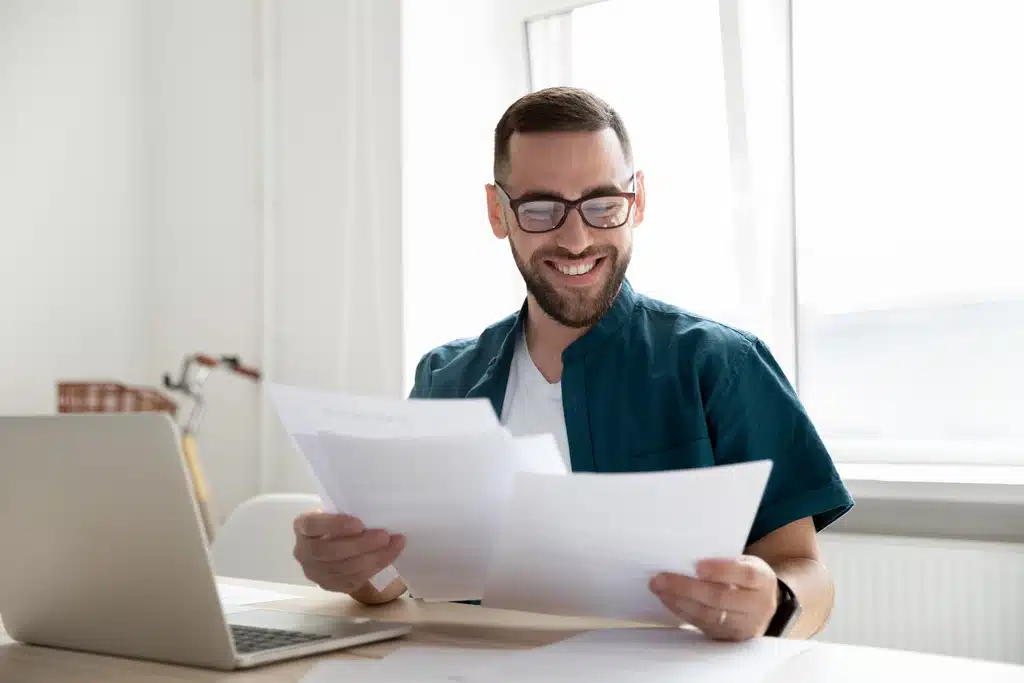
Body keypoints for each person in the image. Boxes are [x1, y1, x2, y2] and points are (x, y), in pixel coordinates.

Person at [292, 87, 853, 642]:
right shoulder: (445, 378)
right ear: (497, 212)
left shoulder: (721, 364)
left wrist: (774, 606)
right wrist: (352, 569)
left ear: (637, 202)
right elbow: (392, 581)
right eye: (540, 209)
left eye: (603, 205)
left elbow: (804, 568)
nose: (577, 238)